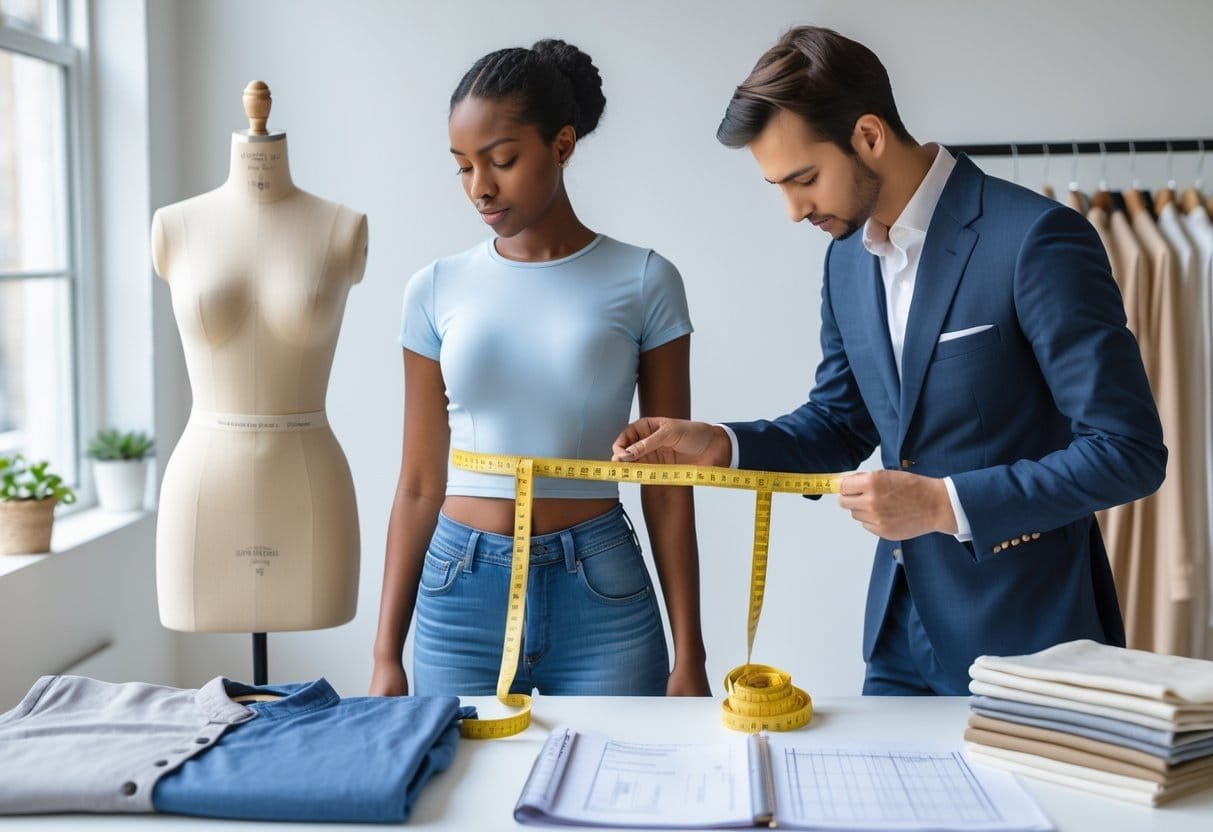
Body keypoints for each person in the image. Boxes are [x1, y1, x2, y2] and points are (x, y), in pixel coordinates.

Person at [612, 26, 1166, 695]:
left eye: (804, 179)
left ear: (868, 136)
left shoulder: (1035, 241)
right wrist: (722, 444)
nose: (792, 211)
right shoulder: (845, 259)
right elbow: (840, 424)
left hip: (1027, 642)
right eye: (777, 187)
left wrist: (943, 504)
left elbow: (1126, 451)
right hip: (895, 639)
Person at [371, 40, 710, 698]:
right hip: (457, 589)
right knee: (455, 794)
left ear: (561, 144)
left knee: (620, 792)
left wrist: (689, 654)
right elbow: (417, 483)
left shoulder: (644, 280)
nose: (480, 188)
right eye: (463, 166)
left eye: (501, 160)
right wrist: (386, 653)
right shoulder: (433, 288)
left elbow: (670, 483)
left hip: (600, 591)